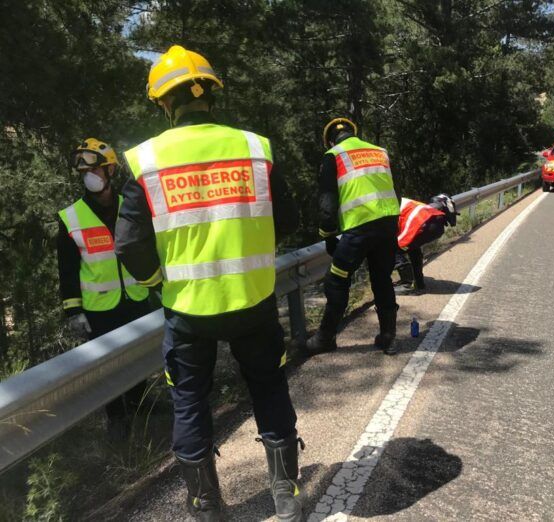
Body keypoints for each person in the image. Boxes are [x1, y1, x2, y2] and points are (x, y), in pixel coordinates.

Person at [114, 45, 302, 521]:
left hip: (188, 311)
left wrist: (160, 282)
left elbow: (129, 245)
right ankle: (287, 495)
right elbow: (289, 218)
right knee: (269, 388)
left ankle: (206, 507)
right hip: (253, 301)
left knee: (190, 402)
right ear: (211, 94)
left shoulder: (144, 160)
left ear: (163, 102)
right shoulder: (255, 148)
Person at [57, 138, 152, 440]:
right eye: (85, 172)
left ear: (110, 170)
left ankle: (141, 404)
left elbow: (149, 246)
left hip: (137, 296)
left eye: (96, 170)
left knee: (137, 357)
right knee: (108, 367)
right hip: (99, 307)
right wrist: (73, 311)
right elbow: (68, 269)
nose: (90, 177)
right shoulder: (71, 217)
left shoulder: (132, 205)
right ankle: (117, 418)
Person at [305, 117, 401, 356]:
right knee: (382, 278)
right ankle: (388, 336)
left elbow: (327, 204)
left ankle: (325, 338)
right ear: (353, 133)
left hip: (359, 229)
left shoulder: (333, 155)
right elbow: (394, 189)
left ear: (329, 140)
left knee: (337, 280)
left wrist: (328, 236)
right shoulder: (380, 152)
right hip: (388, 224)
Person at [394, 194, 458, 294]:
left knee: (393, 248)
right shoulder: (393, 198)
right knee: (413, 247)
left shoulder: (381, 205)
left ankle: (407, 284)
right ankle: (419, 282)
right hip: (433, 222)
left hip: (422, 223)